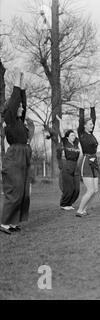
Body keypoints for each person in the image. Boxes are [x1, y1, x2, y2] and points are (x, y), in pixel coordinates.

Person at [1, 70, 32, 235]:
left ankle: (13, 222)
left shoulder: (19, 120)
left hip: (23, 155)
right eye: (18, 106)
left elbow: (22, 104)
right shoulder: (10, 118)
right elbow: (14, 102)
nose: (21, 107)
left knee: (23, 191)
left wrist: (23, 90)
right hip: (14, 157)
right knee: (14, 190)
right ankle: (5, 222)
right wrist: (16, 85)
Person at [76, 104, 99, 217]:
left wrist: (92, 107)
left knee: (95, 190)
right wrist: (82, 109)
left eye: (92, 124)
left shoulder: (91, 134)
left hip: (94, 162)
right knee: (90, 190)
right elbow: (81, 121)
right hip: (86, 161)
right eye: (90, 124)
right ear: (84, 126)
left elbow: (93, 118)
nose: (92, 125)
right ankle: (79, 210)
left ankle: (84, 209)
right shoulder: (82, 134)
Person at [56, 114, 81, 211]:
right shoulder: (65, 142)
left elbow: (78, 130)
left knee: (77, 189)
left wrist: (76, 124)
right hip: (67, 166)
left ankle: (70, 203)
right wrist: (60, 122)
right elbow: (62, 131)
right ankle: (64, 204)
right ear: (67, 137)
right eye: (72, 135)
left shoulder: (76, 143)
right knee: (69, 188)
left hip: (75, 166)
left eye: (74, 135)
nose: (74, 136)